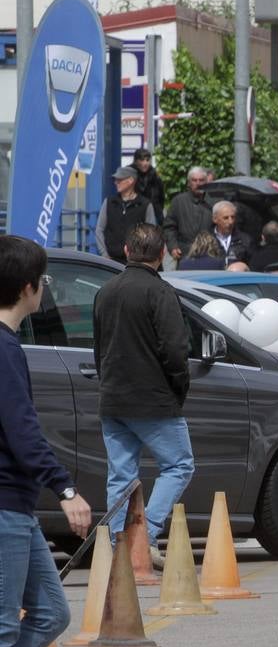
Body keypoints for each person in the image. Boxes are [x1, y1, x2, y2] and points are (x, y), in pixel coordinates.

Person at [0, 235, 93, 647]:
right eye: (44, 281)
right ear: (29, 288)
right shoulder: (4, 349)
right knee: (5, 626)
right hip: (6, 505)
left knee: (52, 613)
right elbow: (22, 431)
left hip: (17, 506)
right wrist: (65, 488)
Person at [94, 224, 195, 551]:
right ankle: (145, 537)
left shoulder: (105, 291)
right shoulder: (160, 292)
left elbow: (99, 349)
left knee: (120, 478)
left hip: (113, 399)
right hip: (153, 400)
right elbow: (176, 351)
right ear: (162, 253)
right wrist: (178, 390)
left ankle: (115, 546)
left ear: (126, 251)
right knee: (179, 465)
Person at [95, 166, 158, 263]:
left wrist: (142, 258)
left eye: (119, 180)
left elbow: (151, 234)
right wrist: (105, 255)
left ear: (131, 180)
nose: (116, 183)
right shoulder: (109, 202)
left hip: (135, 262)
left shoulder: (145, 205)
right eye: (115, 180)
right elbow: (99, 229)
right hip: (111, 261)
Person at [162, 165, 214, 262]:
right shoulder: (178, 201)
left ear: (206, 182)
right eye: (194, 180)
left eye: (201, 180)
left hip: (209, 253)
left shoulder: (213, 202)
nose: (198, 183)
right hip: (184, 254)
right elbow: (169, 227)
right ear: (189, 183)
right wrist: (173, 246)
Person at [210, 201, 253, 267]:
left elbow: (252, 266)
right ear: (215, 219)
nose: (231, 222)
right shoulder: (207, 241)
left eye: (233, 217)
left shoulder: (245, 240)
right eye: (226, 218)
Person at [130, 147, 166, 220]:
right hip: (135, 214)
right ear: (136, 161)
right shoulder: (129, 175)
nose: (145, 163)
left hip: (154, 214)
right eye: (142, 160)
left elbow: (161, 197)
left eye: (147, 160)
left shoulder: (155, 176)